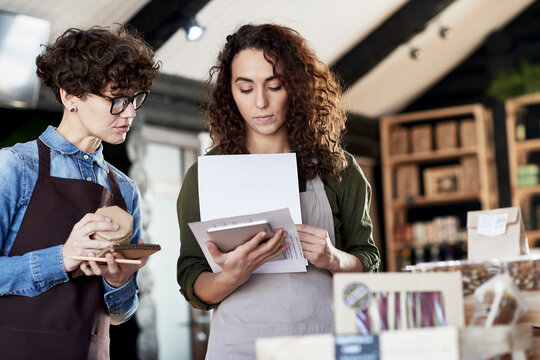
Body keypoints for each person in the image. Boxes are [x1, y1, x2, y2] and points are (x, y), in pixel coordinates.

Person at [177, 23, 380, 359]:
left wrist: (333, 258)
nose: (261, 102)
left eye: (275, 85)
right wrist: (231, 276)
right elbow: (192, 277)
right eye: (245, 89)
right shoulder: (205, 174)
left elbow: (368, 262)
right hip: (239, 346)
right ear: (229, 93)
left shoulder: (337, 168)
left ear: (297, 88)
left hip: (322, 342)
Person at [0, 25, 160, 359]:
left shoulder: (124, 190)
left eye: (133, 100)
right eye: (115, 99)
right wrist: (62, 259)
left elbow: (120, 314)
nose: (129, 112)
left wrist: (119, 281)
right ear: (70, 95)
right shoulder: (15, 166)